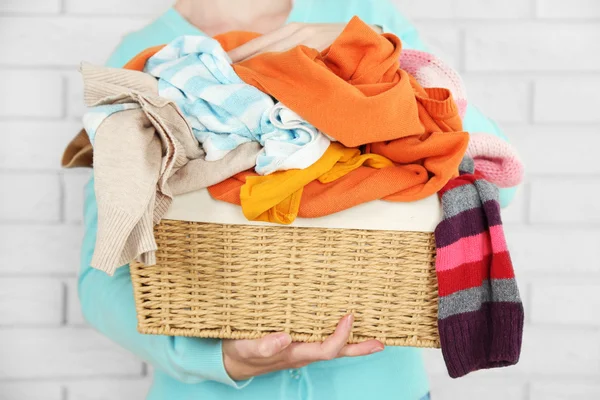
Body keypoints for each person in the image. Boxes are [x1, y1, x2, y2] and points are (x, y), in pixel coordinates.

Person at [79, 0, 517, 399]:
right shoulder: (144, 55)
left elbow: (498, 181)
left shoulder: (358, 14)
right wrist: (222, 359)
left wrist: (368, 52)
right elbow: (102, 273)